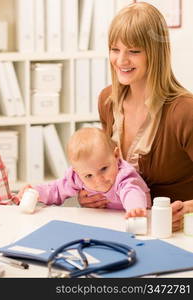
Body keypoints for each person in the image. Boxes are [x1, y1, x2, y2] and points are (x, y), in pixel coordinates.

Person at [78, 2, 193, 232]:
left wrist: (191, 209)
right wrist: (92, 192)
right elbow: (110, 169)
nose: (121, 60)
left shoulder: (184, 111)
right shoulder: (108, 100)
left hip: (176, 235)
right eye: (115, 49)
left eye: (134, 51)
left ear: (155, 53)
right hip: (123, 227)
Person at [19, 127, 150, 218]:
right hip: (104, 220)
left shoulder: (123, 174)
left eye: (104, 169)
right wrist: (36, 192)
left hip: (132, 217)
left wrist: (135, 209)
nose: (99, 180)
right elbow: (56, 190)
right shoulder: (76, 177)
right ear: (77, 172)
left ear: (116, 155)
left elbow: (132, 191)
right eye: (88, 176)